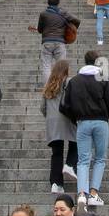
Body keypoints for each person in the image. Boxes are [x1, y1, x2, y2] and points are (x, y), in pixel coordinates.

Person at [59, 50, 109, 208]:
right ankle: (94, 194)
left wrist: (76, 118)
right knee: (100, 158)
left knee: (83, 161)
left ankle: (81, 195)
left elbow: (65, 105)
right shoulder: (103, 78)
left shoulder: (74, 81)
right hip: (101, 122)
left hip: (83, 123)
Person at [42, 58, 78, 193]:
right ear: (66, 71)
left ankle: (56, 183)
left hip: (52, 122)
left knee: (56, 153)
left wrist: (50, 117)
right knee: (76, 144)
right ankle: (69, 165)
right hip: (67, 119)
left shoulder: (48, 84)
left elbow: (42, 107)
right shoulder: (69, 82)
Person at [30, 0, 79, 83]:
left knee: (46, 66)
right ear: (58, 3)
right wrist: (71, 29)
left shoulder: (43, 14)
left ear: (48, 3)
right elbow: (77, 20)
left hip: (47, 41)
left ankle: (47, 87)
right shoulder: (63, 13)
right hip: (60, 42)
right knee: (61, 66)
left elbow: (40, 30)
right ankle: (60, 86)